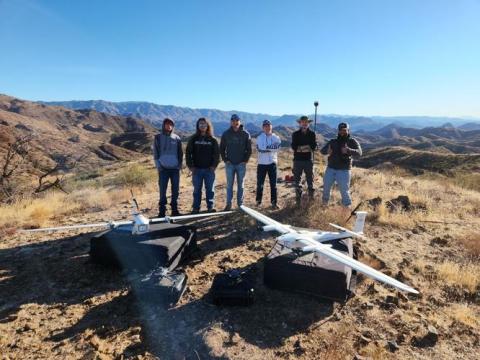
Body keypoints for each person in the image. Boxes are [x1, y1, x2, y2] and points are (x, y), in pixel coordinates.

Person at [320, 122, 362, 208]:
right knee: (326, 188)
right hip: (330, 169)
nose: (342, 132)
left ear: (348, 130)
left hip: (344, 170)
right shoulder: (333, 141)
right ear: (338, 131)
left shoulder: (352, 141)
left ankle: (346, 210)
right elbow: (322, 151)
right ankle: (324, 206)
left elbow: (359, 152)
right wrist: (327, 151)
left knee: (344, 191)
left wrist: (348, 150)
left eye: (344, 130)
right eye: (340, 130)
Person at [185, 117, 220, 213]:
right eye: (200, 124)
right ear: (198, 126)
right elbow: (188, 153)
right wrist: (191, 166)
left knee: (210, 190)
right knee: (197, 190)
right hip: (197, 170)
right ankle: (196, 208)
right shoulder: (193, 138)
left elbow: (217, 154)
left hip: (209, 170)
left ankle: (210, 206)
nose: (202, 125)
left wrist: (214, 166)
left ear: (208, 125)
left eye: (204, 124)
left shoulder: (213, 140)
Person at [220, 114, 252, 211]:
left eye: (237, 120)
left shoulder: (246, 134)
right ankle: (228, 204)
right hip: (230, 164)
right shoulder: (226, 134)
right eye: (233, 120)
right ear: (231, 122)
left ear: (240, 121)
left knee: (240, 185)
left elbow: (249, 149)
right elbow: (221, 148)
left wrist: (245, 160)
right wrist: (225, 160)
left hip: (241, 164)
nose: (235, 122)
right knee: (229, 185)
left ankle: (240, 205)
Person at [153, 117, 183, 217]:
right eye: (167, 124)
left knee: (175, 190)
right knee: (162, 190)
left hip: (174, 169)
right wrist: (159, 166)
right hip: (163, 169)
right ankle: (162, 211)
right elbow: (155, 153)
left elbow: (180, 153)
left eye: (171, 124)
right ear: (163, 125)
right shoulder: (157, 137)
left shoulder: (177, 138)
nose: (169, 126)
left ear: (173, 126)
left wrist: (179, 165)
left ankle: (174, 210)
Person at [256, 119, 281, 209]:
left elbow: (277, 148)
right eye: (265, 126)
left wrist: (267, 148)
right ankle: (258, 202)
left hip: (272, 163)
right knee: (260, 184)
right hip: (261, 164)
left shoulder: (276, 137)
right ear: (263, 127)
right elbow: (261, 148)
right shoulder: (259, 138)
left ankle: (274, 203)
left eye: (269, 125)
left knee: (273, 185)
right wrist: (271, 148)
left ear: (271, 126)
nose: (267, 127)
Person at [291, 115, 317, 204]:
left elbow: (313, 147)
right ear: (300, 123)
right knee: (297, 181)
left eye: (306, 122)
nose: (304, 124)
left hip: (308, 161)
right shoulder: (295, 134)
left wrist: (301, 148)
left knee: (310, 180)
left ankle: (311, 201)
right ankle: (298, 201)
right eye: (303, 122)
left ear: (308, 123)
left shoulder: (312, 134)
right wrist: (307, 148)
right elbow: (294, 147)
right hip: (297, 161)